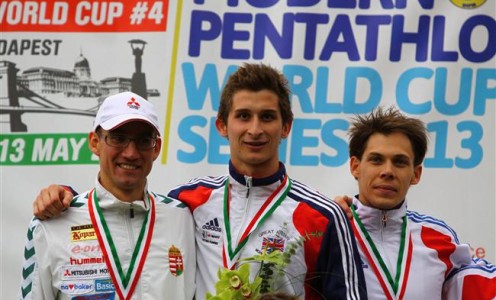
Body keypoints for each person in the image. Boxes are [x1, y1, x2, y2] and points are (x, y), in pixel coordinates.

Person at [29, 63, 368, 299]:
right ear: (222, 125)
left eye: (267, 117)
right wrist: (69, 202)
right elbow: (122, 206)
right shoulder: (186, 204)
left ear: (287, 126)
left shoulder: (325, 215)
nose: (254, 129)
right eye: (243, 116)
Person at [19, 92, 196, 299]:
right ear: (95, 142)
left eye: (143, 140)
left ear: (156, 148)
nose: (131, 153)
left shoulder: (183, 219)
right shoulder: (51, 224)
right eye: (118, 138)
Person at [344, 106, 495, 299]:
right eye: (376, 160)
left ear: (416, 174)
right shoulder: (331, 230)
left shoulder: (439, 238)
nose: (387, 171)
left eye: (399, 162)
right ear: (355, 167)